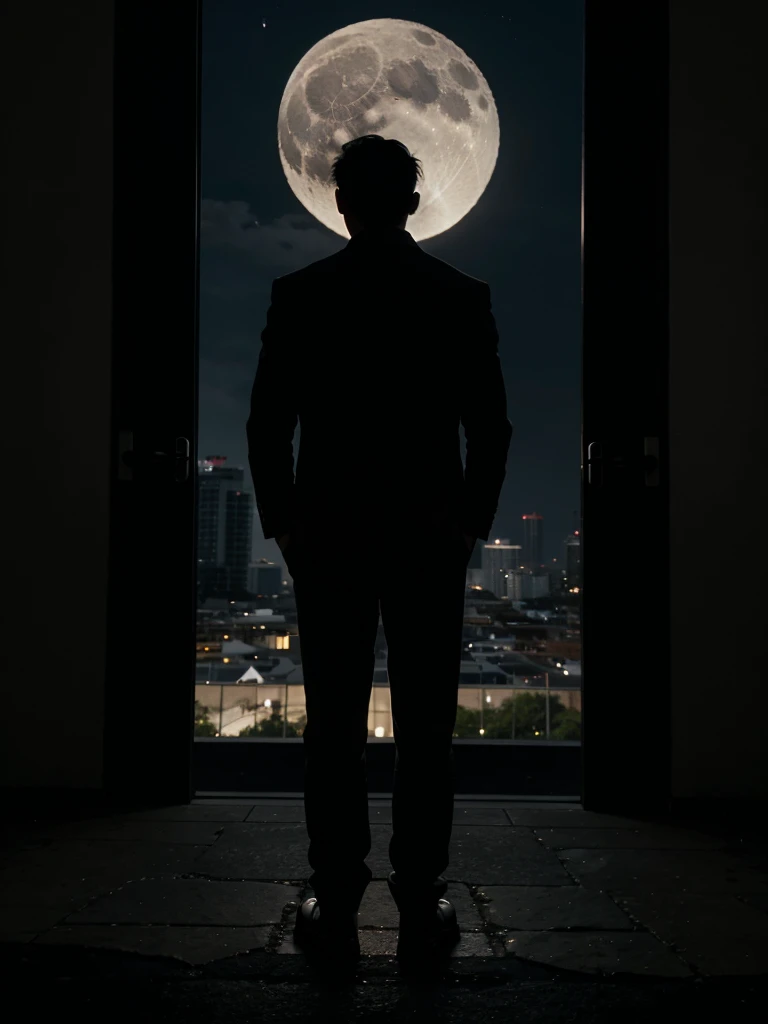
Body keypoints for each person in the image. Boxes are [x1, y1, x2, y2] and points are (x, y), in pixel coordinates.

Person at [246, 134, 513, 972]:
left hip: (328, 535)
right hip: (427, 537)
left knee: (333, 726)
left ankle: (334, 891)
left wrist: (286, 527)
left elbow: (268, 424)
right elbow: (490, 426)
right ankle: (422, 893)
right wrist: (468, 523)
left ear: (341, 202)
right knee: (428, 725)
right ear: (413, 199)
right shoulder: (457, 296)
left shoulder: (303, 295)